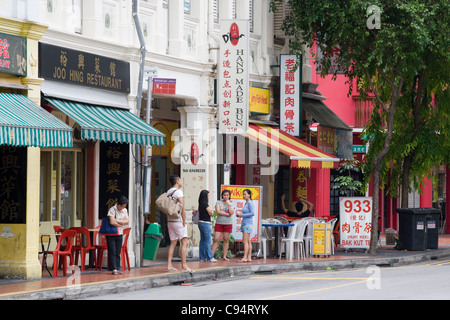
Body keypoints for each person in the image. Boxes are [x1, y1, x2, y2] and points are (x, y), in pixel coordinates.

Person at [166, 174, 194, 273]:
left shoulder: (168, 192)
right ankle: (184, 265)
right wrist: (184, 221)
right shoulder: (178, 192)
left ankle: (169, 265)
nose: (181, 182)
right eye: (180, 180)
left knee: (173, 243)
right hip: (178, 221)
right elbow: (182, 207)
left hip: (170, 221)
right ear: (177, 181)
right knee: (184, 242)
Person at [106, 195, 129, 275]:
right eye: (121, 206)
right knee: (112, 251)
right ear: (118, 204)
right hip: (111, 233)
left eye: (124, 206)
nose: (122, 208)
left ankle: (117, 267)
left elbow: (127, 222)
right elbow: (112, 222)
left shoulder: (125, 210)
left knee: (118, 251)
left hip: (120, 233)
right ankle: (113, 269)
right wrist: (121, 222)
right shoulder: (112, 209)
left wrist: (117, 221)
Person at [212, 189, 234, 261]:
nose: (226, 196)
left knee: (226, 240)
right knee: (216, 239)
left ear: (229, 196)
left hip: (228, 223)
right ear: (222, 196)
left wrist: (229, 204)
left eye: (227, 195)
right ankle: (211, 256)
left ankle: (224, 256)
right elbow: (218, 211)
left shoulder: (231, 204)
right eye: (224, 195)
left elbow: (232, 212)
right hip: (219, 223)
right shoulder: (218, 202)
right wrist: (227, 214)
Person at [236, 189, 255, 263]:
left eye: (245, 194)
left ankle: (244, 257)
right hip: (245, 223)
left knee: (245, 241)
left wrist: (242, 215)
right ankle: (249, 257)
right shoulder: (246, 203)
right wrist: (240, 215)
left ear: (249, 195)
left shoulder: (250, 203)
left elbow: (253, 213)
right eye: (243, 194)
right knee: (248, 241)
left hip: (248, 224)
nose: (243, 196)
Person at [197, 190, 216, 262]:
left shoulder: (200, 203)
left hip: (200, 223)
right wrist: (211, 211)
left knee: (202, 240)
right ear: (205, 196)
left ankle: (202, 257)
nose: (209, 197)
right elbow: (211, 213)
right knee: (207, 241)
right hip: (205, 223)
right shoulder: (205, 204)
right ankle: (210, 257)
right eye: (208, 195)